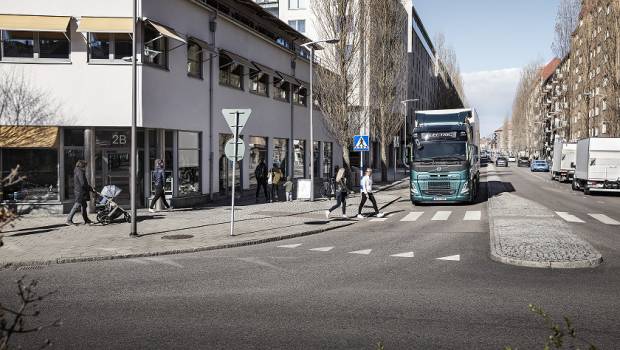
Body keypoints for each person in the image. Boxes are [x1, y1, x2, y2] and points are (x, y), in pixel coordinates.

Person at [66, 160, 94, 226]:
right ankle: (69, 220)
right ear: (82, 165)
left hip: (79, 191)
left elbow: (83, 183)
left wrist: (89, 188)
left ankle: (86, 220)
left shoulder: (77, 170)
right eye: (85, 166)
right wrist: (89, 188)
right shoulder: (80, 172)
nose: (86, 167)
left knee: (84, 206)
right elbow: (83, 183)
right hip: (81, 192)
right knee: (77, 205)